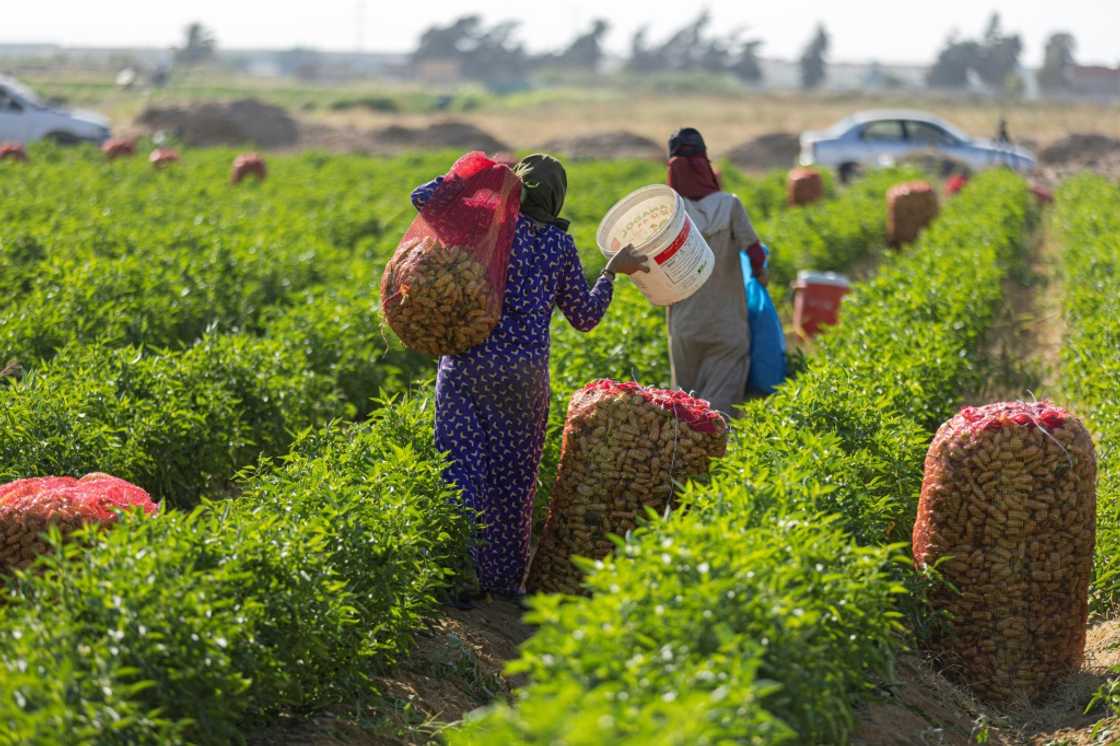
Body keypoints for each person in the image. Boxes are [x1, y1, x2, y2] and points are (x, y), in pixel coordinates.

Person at [410, 154, 647, 604]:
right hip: (522, 378)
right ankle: (503, 582)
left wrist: (480, 173)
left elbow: (423, 197)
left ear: (515, 189)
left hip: (468, 365)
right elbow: (585, 316)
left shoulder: (488, 227)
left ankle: (457, 576)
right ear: (557, 199)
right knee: (513, 480)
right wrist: (612, 272)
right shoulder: (558, 247)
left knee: (460, 469)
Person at [665, 127, 769, 416]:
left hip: (686, 326)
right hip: (726, 325)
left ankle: (689, 459)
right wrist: (761, 277)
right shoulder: (729, 205)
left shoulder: (671, 212)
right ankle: (719, 459)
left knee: (686, 407)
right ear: (705, 164)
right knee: (718, 413)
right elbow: (756, 253)